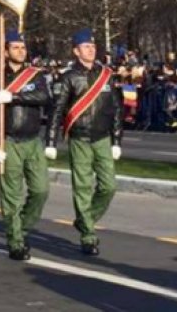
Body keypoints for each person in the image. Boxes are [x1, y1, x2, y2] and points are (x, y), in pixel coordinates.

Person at [48, 28, 123, 256]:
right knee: (82, 187)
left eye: (93, 46)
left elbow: (116, 109)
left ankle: (85, 219)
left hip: (102, 137)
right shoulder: (68, 77)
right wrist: (51, 140)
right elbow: (58, 110)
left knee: (109, 186)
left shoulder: (106, 75)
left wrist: (117, 139)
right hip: (79, 137)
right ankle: (88, 235)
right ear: (76, 51)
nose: (91, 49)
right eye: (86, 46)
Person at [0, 29, 51, 261]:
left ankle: (21, 227)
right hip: (8, 141)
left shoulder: (35, 76)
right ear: (5, 51)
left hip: (32, 140)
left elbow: (44, 97)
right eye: (16, 47)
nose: (21, 51)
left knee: (40, 190)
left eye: (23, 47)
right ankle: (15, 241)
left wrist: (14, 97)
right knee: (12, 194)